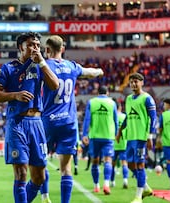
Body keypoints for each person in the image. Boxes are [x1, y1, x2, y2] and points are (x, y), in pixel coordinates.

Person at [0, 32, 59, 203]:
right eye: (31, 44)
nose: (35, 47)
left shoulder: (40, 66)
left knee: (39, 177)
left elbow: (55, 85)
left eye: (37, 44)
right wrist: (15, 95)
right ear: (20, 47)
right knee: (21, 173)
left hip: (37, 123)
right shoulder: (8, 68)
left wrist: (41, 62)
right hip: (17, 123)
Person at [41, 35, 103, 203]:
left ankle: (45, 197)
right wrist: (99, 71)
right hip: (68, 122)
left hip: (48, 121)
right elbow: (90, 73)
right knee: (66, 168)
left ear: (47, 50)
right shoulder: (71, 66)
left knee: (41, 162)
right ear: (63, 49)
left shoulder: (44, 66)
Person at [116, 73, 157, 203]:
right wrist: (120, 131)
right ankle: (145, 187)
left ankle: (138, 197)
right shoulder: (128, 99)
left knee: (140, 165)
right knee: (130, 164)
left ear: (142, 83)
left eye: (136, 82)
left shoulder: (147, 98)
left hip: (141, 137)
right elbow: (128, 117)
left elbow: (153, 118)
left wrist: (150, 136)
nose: (133, 84)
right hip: (130, 136)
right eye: (131, 82)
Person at [82, 85, 118, 195]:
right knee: (108, 160)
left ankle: (96, 185)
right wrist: (116, 133)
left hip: (94, 136)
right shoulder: (112, 103)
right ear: (107, 93)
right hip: (108, 136)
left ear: (97, 93)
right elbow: (115, 120)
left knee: (95, 161)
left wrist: (84, 134)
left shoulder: (91, 102)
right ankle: (106, 184)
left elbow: (87, 119)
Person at [110, 100, 129, 189]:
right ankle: (125, 180)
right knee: (124, 163)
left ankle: (112, 182)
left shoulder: (112, 117)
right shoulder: (125, 117)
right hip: (124, 143)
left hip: (113, 143)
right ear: (120, 107)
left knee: (112, 164)